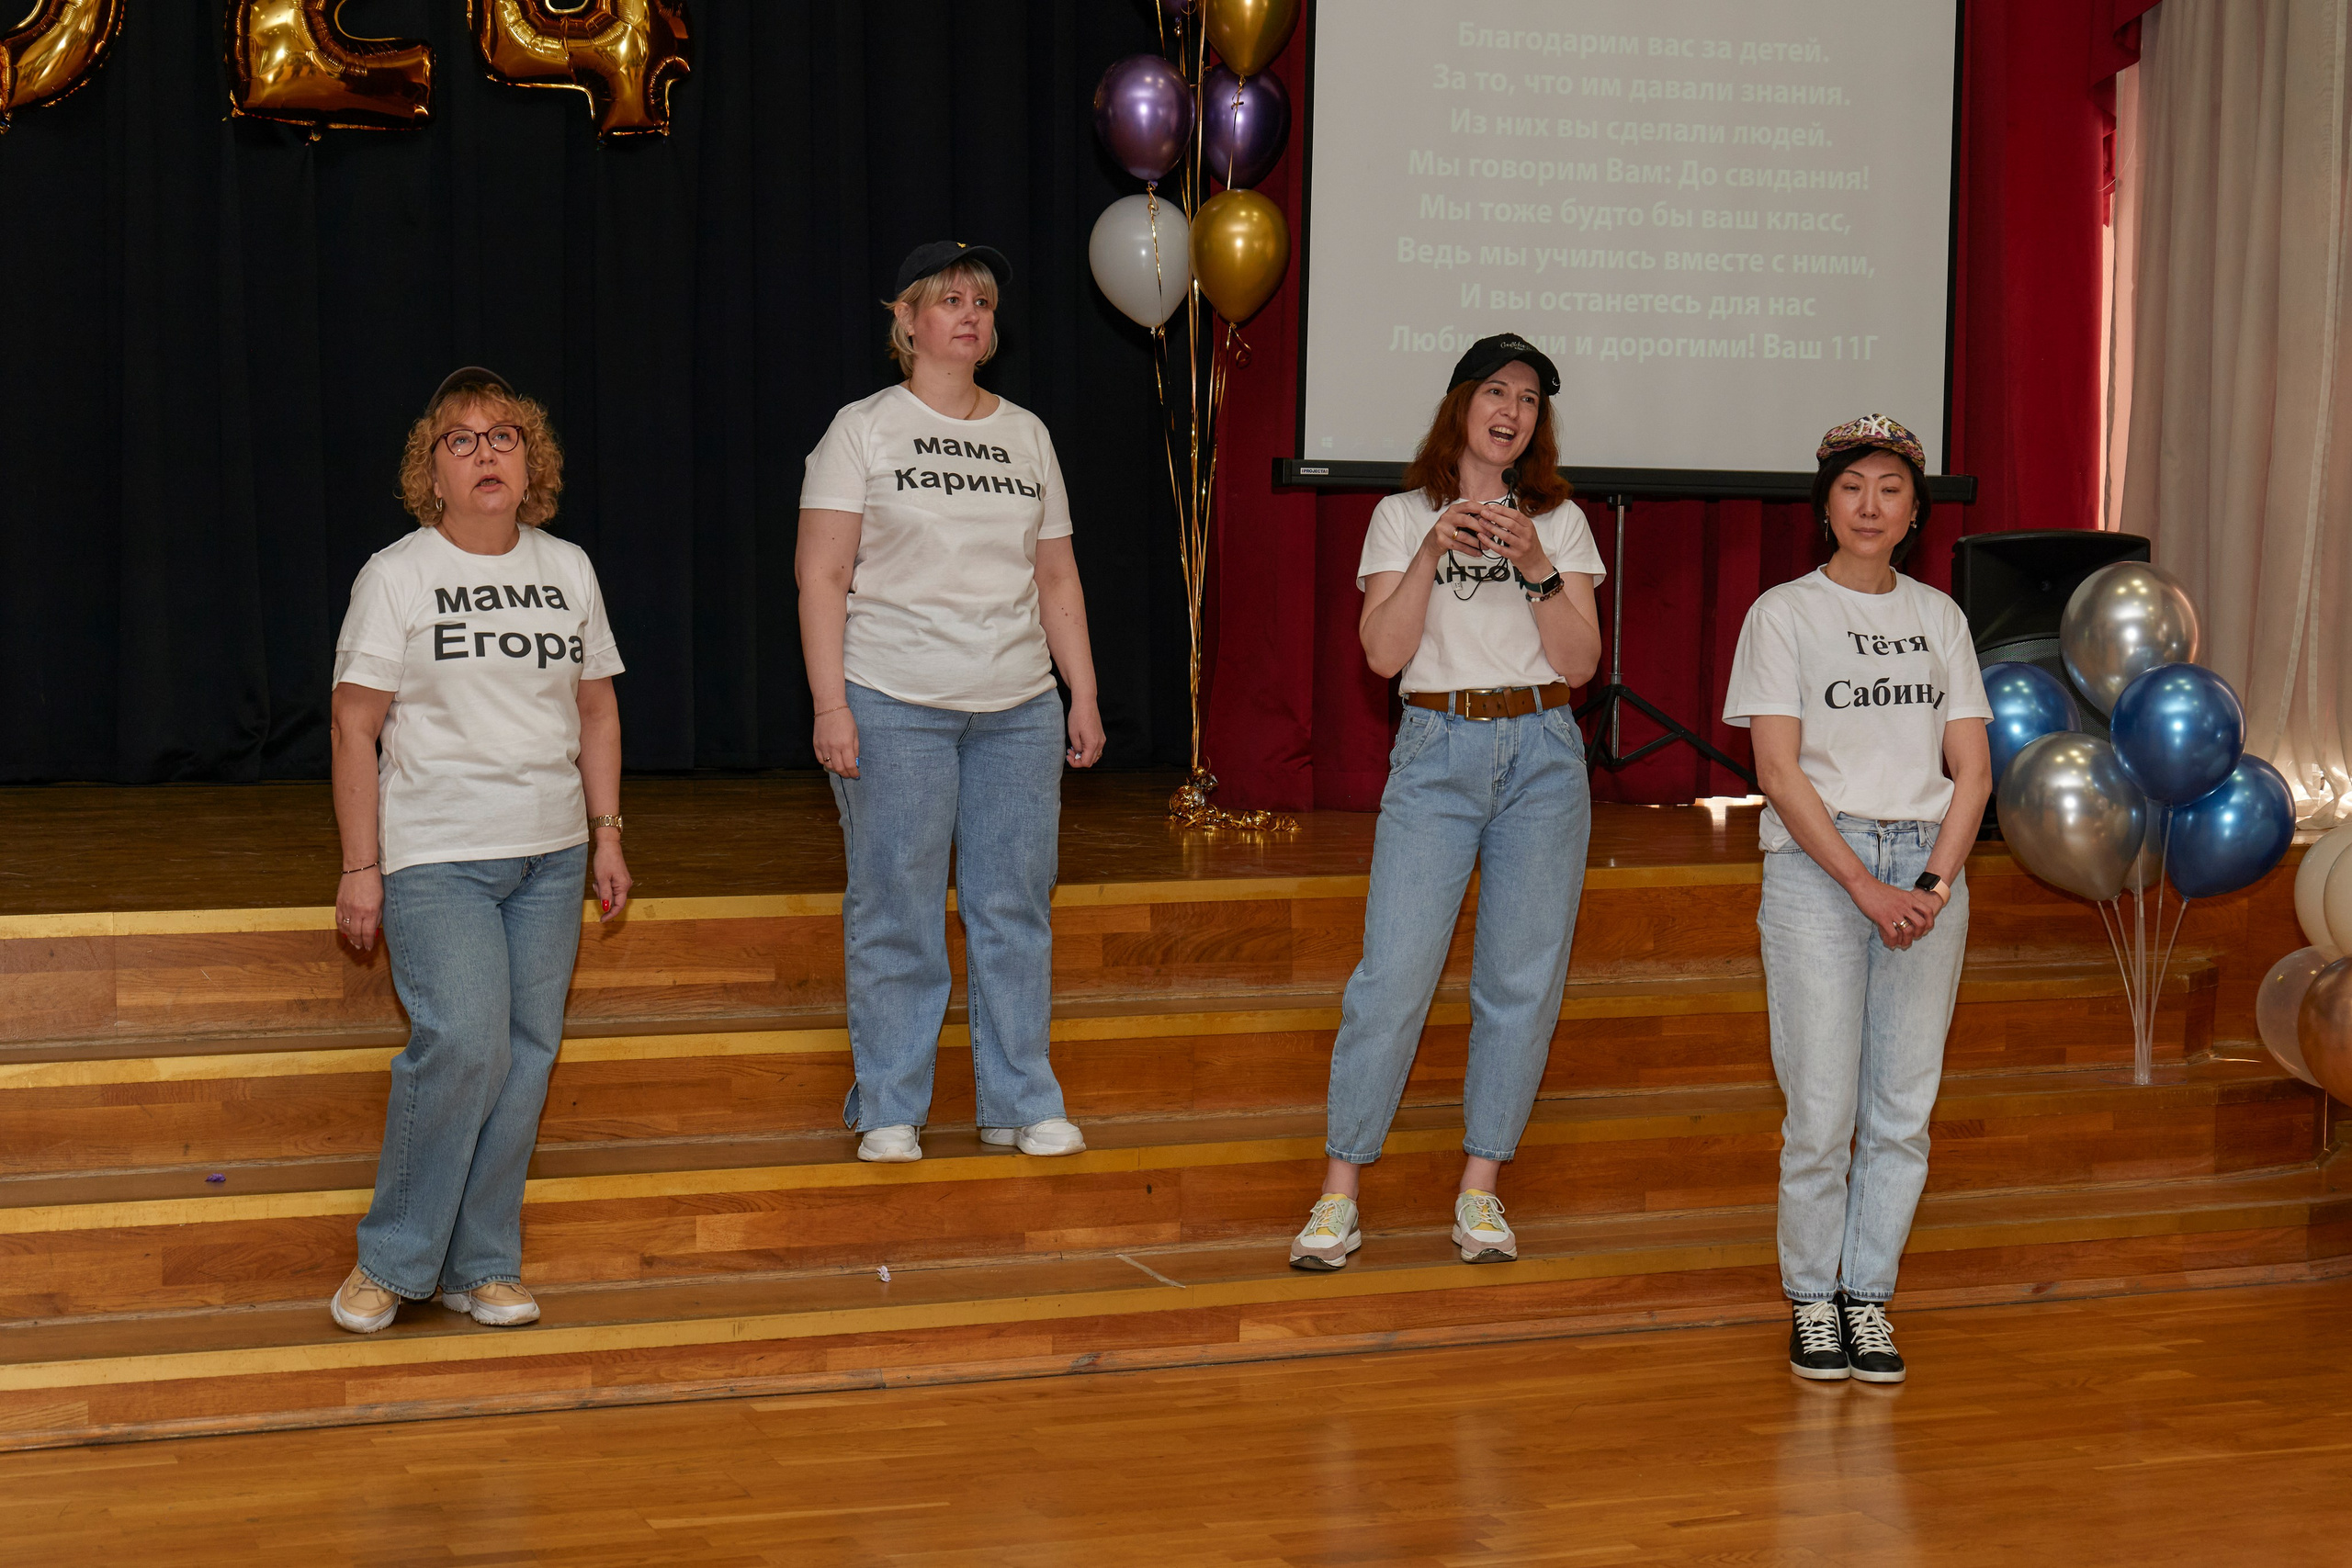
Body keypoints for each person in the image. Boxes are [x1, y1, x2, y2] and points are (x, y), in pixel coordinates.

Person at [1288, 333, 1606, 1272]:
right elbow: (1382, 656)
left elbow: (1580, 663)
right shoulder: (1399, 516)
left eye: (1529, 401)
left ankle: (1479, 1190)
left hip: (1544, 751)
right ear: (1461, 404)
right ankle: (1338, 1194)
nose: (1511, 411)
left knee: (1521, 981)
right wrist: (1431, 548)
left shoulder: (1562, 521)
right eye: (1495, 393)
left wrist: (1539, 567)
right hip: (1436, 749)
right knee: (1390, 976)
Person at [325, 367, 631, 1335]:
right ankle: (394, 1260)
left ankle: (483, 1263)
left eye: (503, 435)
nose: (486, 452)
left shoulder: (567, 568)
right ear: (434, 472)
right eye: (461, 440)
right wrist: (360, 866)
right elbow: (352, 724)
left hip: (548, 858)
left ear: (529, 459)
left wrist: (606, 831)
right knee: (463, 1042)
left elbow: (595, 706)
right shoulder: (396, 575)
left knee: (527, 1057)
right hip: (437, 857)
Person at [796, 241, 1104, 1164]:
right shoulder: (864, 429)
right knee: (897, 904)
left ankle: (1020, 1100)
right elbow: (823, 574)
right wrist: (828, 704)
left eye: (982, 301)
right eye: (949, 299)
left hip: (1017, 706)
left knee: (1014, 907)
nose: (970, 314)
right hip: (892, 698)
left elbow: (1055, 576)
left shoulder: (1028, 434)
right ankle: (890, 1103)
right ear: (908, 320)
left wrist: (1081, 694)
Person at [1722, 413, 1994, 1384]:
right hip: (1819, 872)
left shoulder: (1940, 618)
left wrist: (1929, 883)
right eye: (1851, 487)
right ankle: (1811, 1298)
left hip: (1926, 874)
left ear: (1914, 511)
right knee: (1821, 1106)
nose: (1869, 505)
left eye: (1889, 489)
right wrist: (1862, 884)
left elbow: (1972, 771)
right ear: (1824, 506)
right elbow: (1778, 769)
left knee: (1900, 1108)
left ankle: (1866, 1297)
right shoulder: (1783, 614)